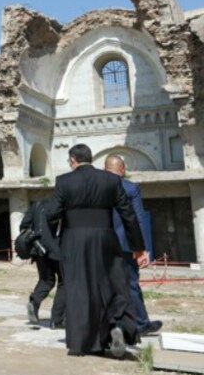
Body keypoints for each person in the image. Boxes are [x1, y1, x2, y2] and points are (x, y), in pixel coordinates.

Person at [49, 144, 149, 358]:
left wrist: (52, 244)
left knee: (79, 288)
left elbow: (52, 214)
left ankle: (81, 343)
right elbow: (128, 215)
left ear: (73, 160)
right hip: (106, 237)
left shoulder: (64, 181)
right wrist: (138, 247)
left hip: (74, 240)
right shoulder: (111, 180)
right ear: (90, 158)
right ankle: (116, 326)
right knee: (112, 285)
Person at [104, 154, 163, 337]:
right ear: (122, 169)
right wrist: (144, 248)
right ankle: (141, 323)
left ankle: (109, 323)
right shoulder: (130, 187)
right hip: (126, 245)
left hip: (101, 244)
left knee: (105, 284)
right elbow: (138, 218)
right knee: (131, 284)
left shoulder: (96, 187)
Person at [20, 198, 66, 329]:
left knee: (46, 280)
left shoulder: (37, 205)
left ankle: (34, 303)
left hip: (38, 248)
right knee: (65, 282)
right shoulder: (61, 205)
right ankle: (57, 319)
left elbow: (23, 226)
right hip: (57, 249)